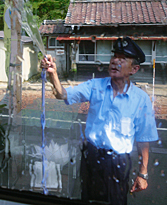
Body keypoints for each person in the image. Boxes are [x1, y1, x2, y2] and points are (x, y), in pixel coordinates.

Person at [41, 36, 158, 205]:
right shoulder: (96, 86)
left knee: (116, 201)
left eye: (122, 59)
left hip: (118, 162)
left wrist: (143, 174)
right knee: (88, 198)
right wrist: (53, 73)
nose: (115, 61)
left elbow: (143, 139)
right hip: (91, 156)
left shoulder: (141, 100)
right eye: (114, 56)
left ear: (134, 69)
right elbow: (63, 94)